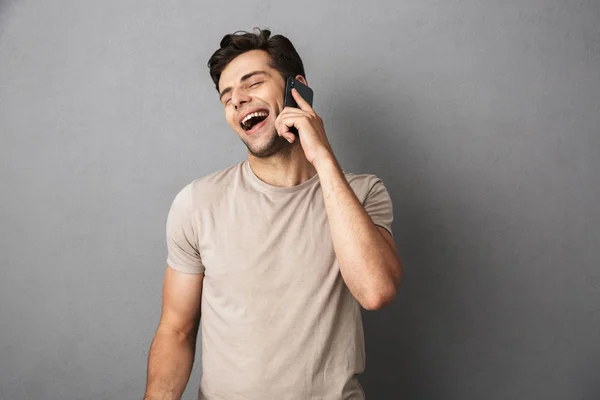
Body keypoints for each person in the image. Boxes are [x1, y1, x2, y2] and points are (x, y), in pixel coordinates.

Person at [143, 28, 403, 400]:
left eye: (252, 83)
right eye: (226, 97)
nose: (238, 101)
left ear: (297, 88)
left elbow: (376, 291)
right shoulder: (197, 203)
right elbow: (176, 330)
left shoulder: (362, 193)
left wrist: (323, 157)